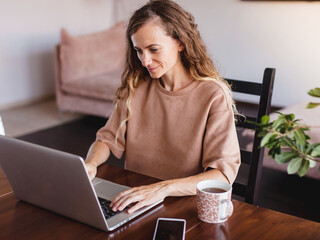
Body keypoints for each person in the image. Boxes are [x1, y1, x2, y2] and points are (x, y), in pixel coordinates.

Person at [85, 0, 240, 214]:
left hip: (182, 206)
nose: (145, 60)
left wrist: (161, 189)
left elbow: (222, 175)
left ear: (180, 42)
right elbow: (107, 140)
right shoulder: (136, 87)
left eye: (153, 49)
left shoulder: (213, 95)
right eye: (138, 50)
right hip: (135, 202)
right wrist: (91, 163)